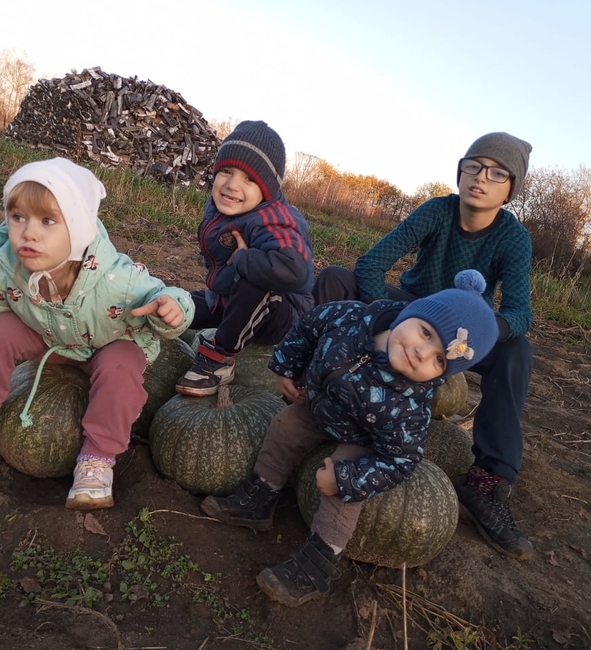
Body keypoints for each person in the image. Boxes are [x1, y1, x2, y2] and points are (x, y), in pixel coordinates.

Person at [200, 270, 498, 607]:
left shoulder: (410, 408)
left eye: (439, 359)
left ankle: (316, 564)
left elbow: (400, 461)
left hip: (364, 438)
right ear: (409, 312)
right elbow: (308, 326)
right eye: (426, 333)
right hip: (322, 408)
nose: (421, 353)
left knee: (344, 489)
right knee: (286, 424)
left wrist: (346, 479)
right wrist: (287, 366)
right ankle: (259, 498)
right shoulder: (352, 317)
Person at [312, 132, 534, 560]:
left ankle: (487, 480)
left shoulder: (513, 238)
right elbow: (371, 264)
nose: (480, 178)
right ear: (460, 171)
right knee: (336, 279)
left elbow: (520, 313)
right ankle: (319, 388)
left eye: (497, 173)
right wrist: (386, 317)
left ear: (510, 189)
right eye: (473, 166)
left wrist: (481, 333)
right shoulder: (437, 211)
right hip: (410, 312)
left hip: (463, 336)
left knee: (517, 351)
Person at [0, 157, 194, 508]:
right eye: (18, 217)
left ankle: (98, 458)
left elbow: (165, 295)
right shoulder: (5, 268)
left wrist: (172, 309)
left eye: (47, 221)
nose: (29, 232)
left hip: (109, 344)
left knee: (121, 367)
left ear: (77, 228)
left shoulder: (119, 281)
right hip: (47, 338)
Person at [175, 120, 314, 397]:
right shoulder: (222, 207)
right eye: (226, 171)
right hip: (229, 299)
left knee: (254, 281)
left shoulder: (274, 221)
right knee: (180, 304)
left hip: (279, 317)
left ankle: (220, 359)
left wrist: (243, 259)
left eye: (249, 179)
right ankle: (155, 321)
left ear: (267, 188)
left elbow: (295, 270)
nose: (232, 185)